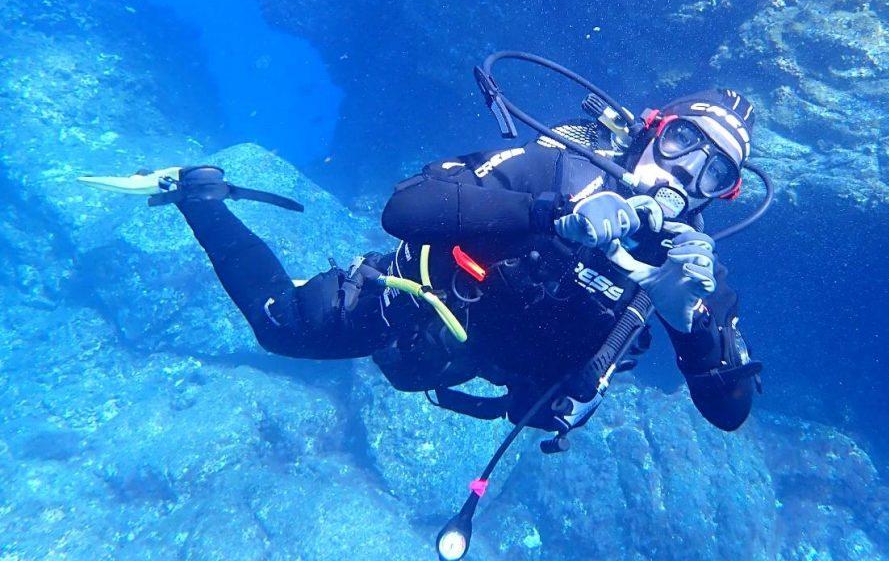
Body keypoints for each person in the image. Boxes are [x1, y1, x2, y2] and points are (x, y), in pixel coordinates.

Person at [81, 86, 763, 436]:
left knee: (406, 376)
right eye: (682, 142)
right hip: (411, 302)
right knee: (279, 325)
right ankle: (197, 192)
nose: (685, 173)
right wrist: (551, 215)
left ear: (724, 195)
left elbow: (728, 413)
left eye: (712, 171)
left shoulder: (695, 274)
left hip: (489, 370)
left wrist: (689, 322)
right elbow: (406, 210)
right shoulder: (555, 171)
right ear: (651, 129)